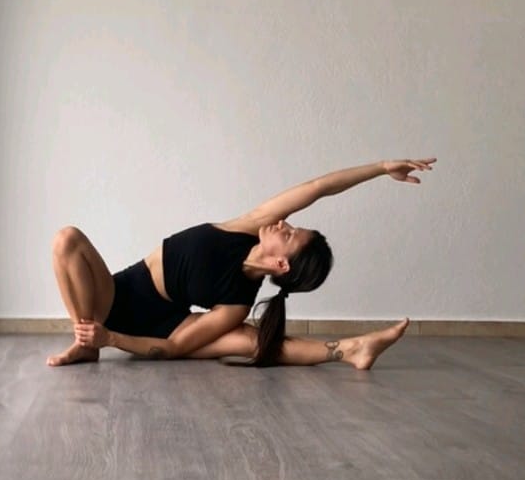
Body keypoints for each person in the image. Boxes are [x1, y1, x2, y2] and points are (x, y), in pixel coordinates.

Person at [47, 157, 435, 369]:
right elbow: (317, 188)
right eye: (290, 225)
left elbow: (173, 346)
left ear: (282, 265)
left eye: (289, 234)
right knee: (67, 239)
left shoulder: (237, 304)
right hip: (113, 299)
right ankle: (84, 341)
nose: (283, 224)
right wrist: (380, 169)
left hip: (156, 329)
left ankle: (350, 349)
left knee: (251, 340)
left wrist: (113, 340)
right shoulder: (245, 228)